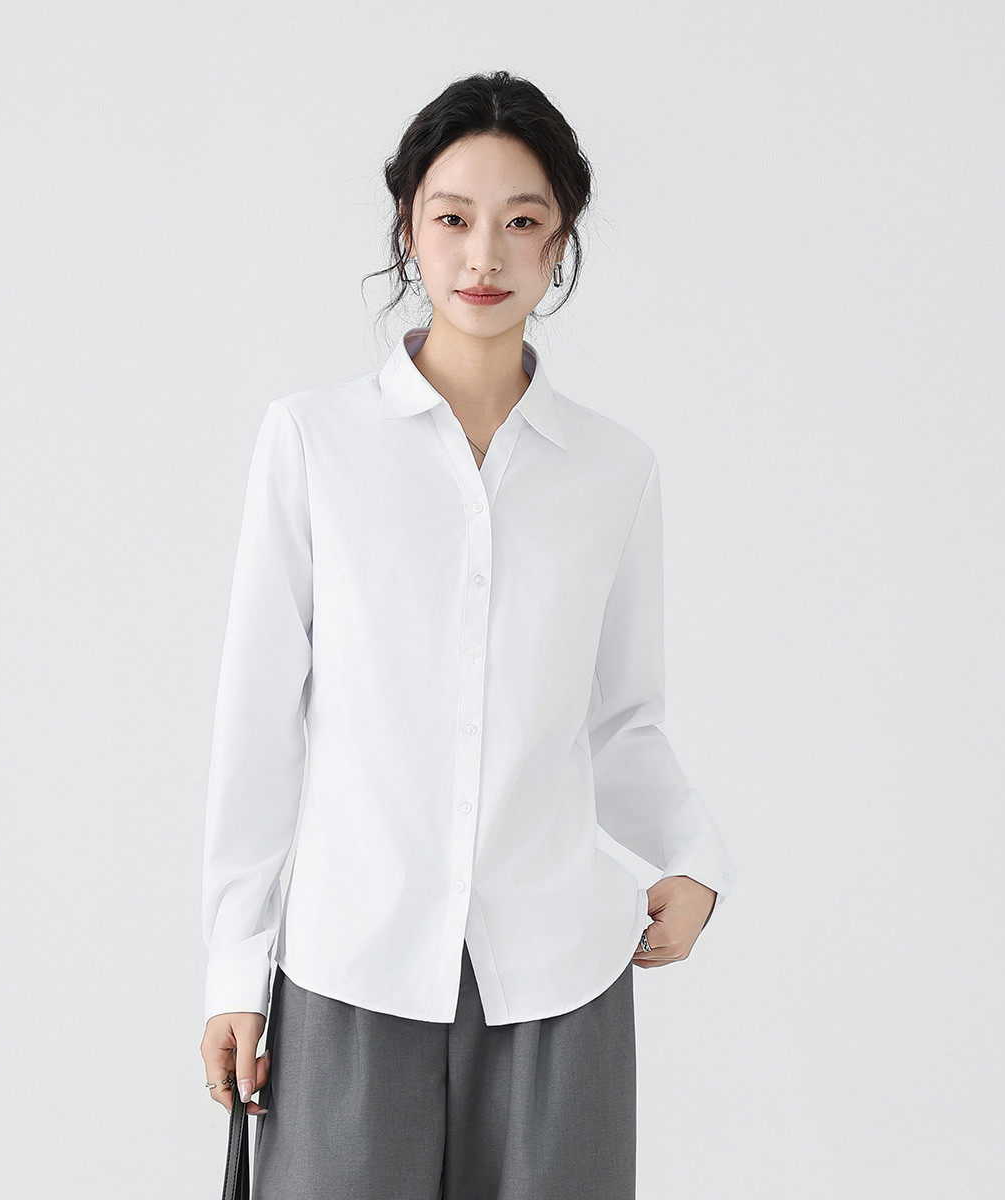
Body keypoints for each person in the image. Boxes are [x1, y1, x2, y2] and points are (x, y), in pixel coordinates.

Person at [199, 69, 737, 1200]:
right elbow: (259, 725)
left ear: (561, 241)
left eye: (522, 221)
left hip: (557, 979)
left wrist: (692, 858)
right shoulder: (312, 442)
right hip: (351, 968)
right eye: (452, 218)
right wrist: (235, 968)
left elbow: (621, 720)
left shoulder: (614, 470)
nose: (484, 255)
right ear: (410, 227)